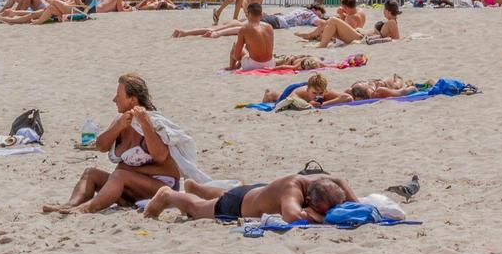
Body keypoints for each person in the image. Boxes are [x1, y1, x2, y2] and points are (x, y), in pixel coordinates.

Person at [43, 74, 178, 214]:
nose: (114, 100)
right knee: (91, 173)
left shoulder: (153, 122)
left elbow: (161, 156)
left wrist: (145, 124)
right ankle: (71, 205)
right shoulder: (121, 120)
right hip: (131, 186)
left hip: (161, 188)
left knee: (120, 175)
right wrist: (118, 126)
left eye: (118, 96)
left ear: (132, 99)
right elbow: (101, 146)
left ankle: (87, 208)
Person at [143, 173, 357, 223]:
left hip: (258, 192)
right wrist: (324, 220)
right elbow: (293, 217)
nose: (329, 212)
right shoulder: (292, 192)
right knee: (197, 210)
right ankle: (168, 195)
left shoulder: (327, 181)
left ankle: (196, 186)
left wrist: (353, 204)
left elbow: (341, 182)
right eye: (323, 209)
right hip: (238, 205)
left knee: (219, 197)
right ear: (308, 200)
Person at [174, 5, 327, 38]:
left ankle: (186, 32)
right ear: (316, 10)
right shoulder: (311, 15)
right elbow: (321, 23)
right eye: (319, 12)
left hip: (274, 18)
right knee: (242, 29)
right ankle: (215, 33)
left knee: (235, 24)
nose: (319, 15)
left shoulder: (299, 9)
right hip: (276, 22)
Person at [297, 0, 401, 48]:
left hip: (361, 37)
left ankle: (321, 44)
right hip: (360, 34)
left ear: (387, 11)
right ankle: (310, 36)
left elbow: (396, 40)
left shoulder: (391, 22)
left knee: (333, 20)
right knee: (329, 22)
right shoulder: (391, 22)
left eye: (384, 10)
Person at [228, 3, 274, 71]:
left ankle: (232, 68)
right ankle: (238, 65)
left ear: (248, 14)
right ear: (261, 14)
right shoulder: (269, 27)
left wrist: (242, 58)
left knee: (235, 45)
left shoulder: (244, 29)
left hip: (254, 65)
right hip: (271, 63)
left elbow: (237, 56)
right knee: (249, 49)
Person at [263, 73, 353, 107]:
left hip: (313, 85)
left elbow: (348, 98)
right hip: (293, 88)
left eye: (320, 93)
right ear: (308, 90)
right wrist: (308, 104)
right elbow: (286, 104)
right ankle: (270, 93)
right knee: (278, 99)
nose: (317, 95)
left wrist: (323, 103)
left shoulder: (324, 91)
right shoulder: (299, 94)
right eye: (314, 93)